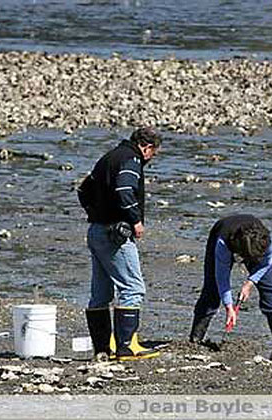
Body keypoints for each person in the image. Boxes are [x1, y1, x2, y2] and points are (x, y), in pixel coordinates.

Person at [78, 127, 162, 361]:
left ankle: (104, 349)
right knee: (133, 288)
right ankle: (126, 347)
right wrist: (135, 221)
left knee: (101, 293)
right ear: (147, 148)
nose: (150, 159)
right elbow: (125, 189)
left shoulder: (109, 156)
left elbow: (83, 190)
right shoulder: (130, 159)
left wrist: (95, 213)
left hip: (95, 230)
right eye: (153, 154)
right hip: (115, 233)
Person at [189, 214, 272, 348]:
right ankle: (195, 339)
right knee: (212, 289)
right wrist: (229, 306)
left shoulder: (267, 242)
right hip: (222, 235)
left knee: (270, 289)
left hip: (255, 247)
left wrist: (250, 282)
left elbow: (266, 264)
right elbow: (222, 277)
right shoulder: (223, 242)